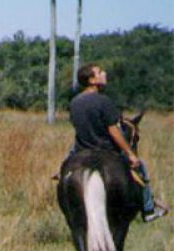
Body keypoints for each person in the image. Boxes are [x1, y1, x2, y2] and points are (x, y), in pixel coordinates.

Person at [69, 63, 167, 222]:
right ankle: (149, 209)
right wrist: (130, 154)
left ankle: (61, 174)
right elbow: (113, 130)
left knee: (67, 164)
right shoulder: (103, 101)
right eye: (99, 72)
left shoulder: (74, 102)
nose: (104, 74)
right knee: (141, 167)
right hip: (105, 150)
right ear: (92, 80)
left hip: (81, 149)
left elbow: (79, 127)